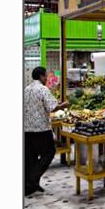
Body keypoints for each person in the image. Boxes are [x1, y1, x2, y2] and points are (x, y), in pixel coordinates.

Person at [24, 66, 69, 196]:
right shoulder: (43, 89)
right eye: (46, 76)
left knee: (30, 158)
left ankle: (28, 187)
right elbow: (53, 108)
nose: (47, 79)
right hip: (41, 129)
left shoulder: (26, 89)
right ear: (41, 76)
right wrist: (64, 105)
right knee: (49, 152)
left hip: (27, 129)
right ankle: (33, 178)